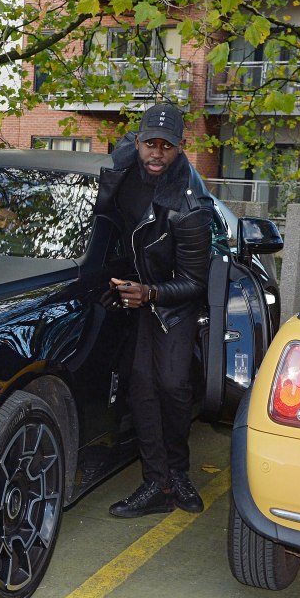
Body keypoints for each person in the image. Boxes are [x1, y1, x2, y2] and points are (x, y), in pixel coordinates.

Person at [97, 103, 213, 518]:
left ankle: (177, 475)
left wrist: (148, 294)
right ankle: (156, 483)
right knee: (141, 387)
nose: (156, 154)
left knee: (172, 387)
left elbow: (195, 283)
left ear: (180, 149)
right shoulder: (122, 166)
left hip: (170, 303)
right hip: (135, 290)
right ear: (138, 141)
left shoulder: (190, 206)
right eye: (150, 143)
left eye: (167, 146)